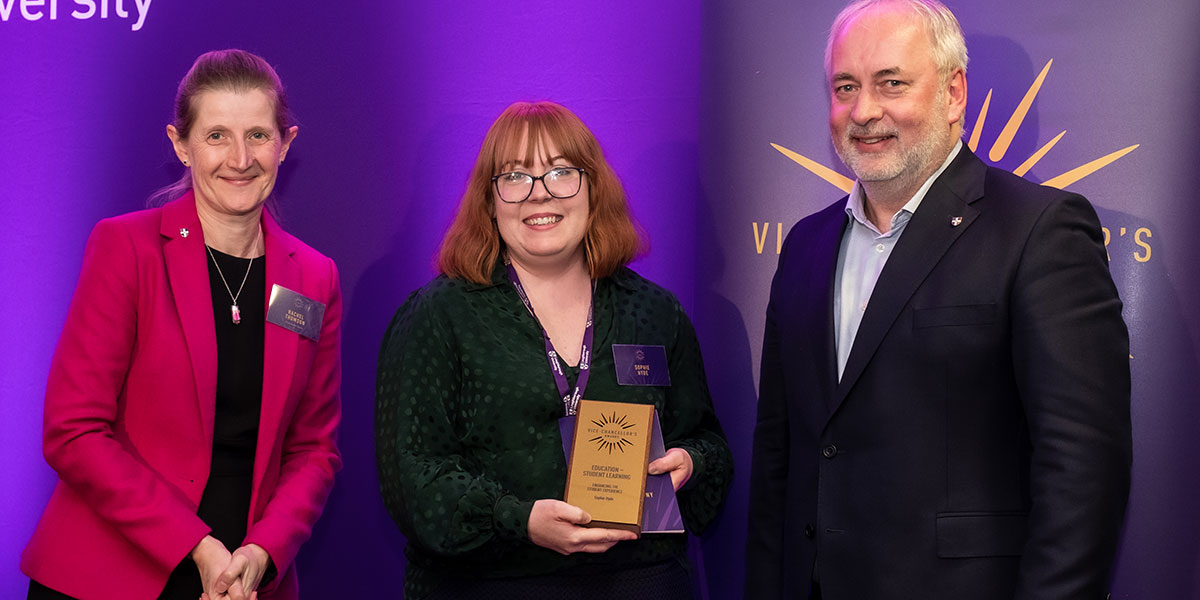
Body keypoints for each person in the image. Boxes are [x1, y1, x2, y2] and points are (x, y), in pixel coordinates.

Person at [745, 1, 1132, 598]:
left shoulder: (1040, 232)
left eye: (891, 83)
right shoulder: (804, 246)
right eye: (845, 87)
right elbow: (778, 457)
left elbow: (1083, 471)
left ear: (954, 95)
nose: (863, 111)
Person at [376, 101, 733, 600]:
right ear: (489, 200)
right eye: (515, 177)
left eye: (561, 173)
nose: (539, 194)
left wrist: (688, 463)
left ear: (593, 188)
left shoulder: (655, 312)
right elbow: (412, 478)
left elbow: (707, 442)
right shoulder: (439, 315)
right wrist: (518, 519)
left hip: (640, 582)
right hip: (492, 586)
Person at [21, 49, 342, 600]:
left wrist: (263, 552)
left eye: (258, 136)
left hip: (245, 582)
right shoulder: (126, 249)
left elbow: (313, 449)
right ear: (181, 145)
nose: (240, 158)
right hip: (107, 577)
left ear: (286, 143)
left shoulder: (313, 277)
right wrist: (197, 545)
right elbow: (73, 431)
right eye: (217, 135)